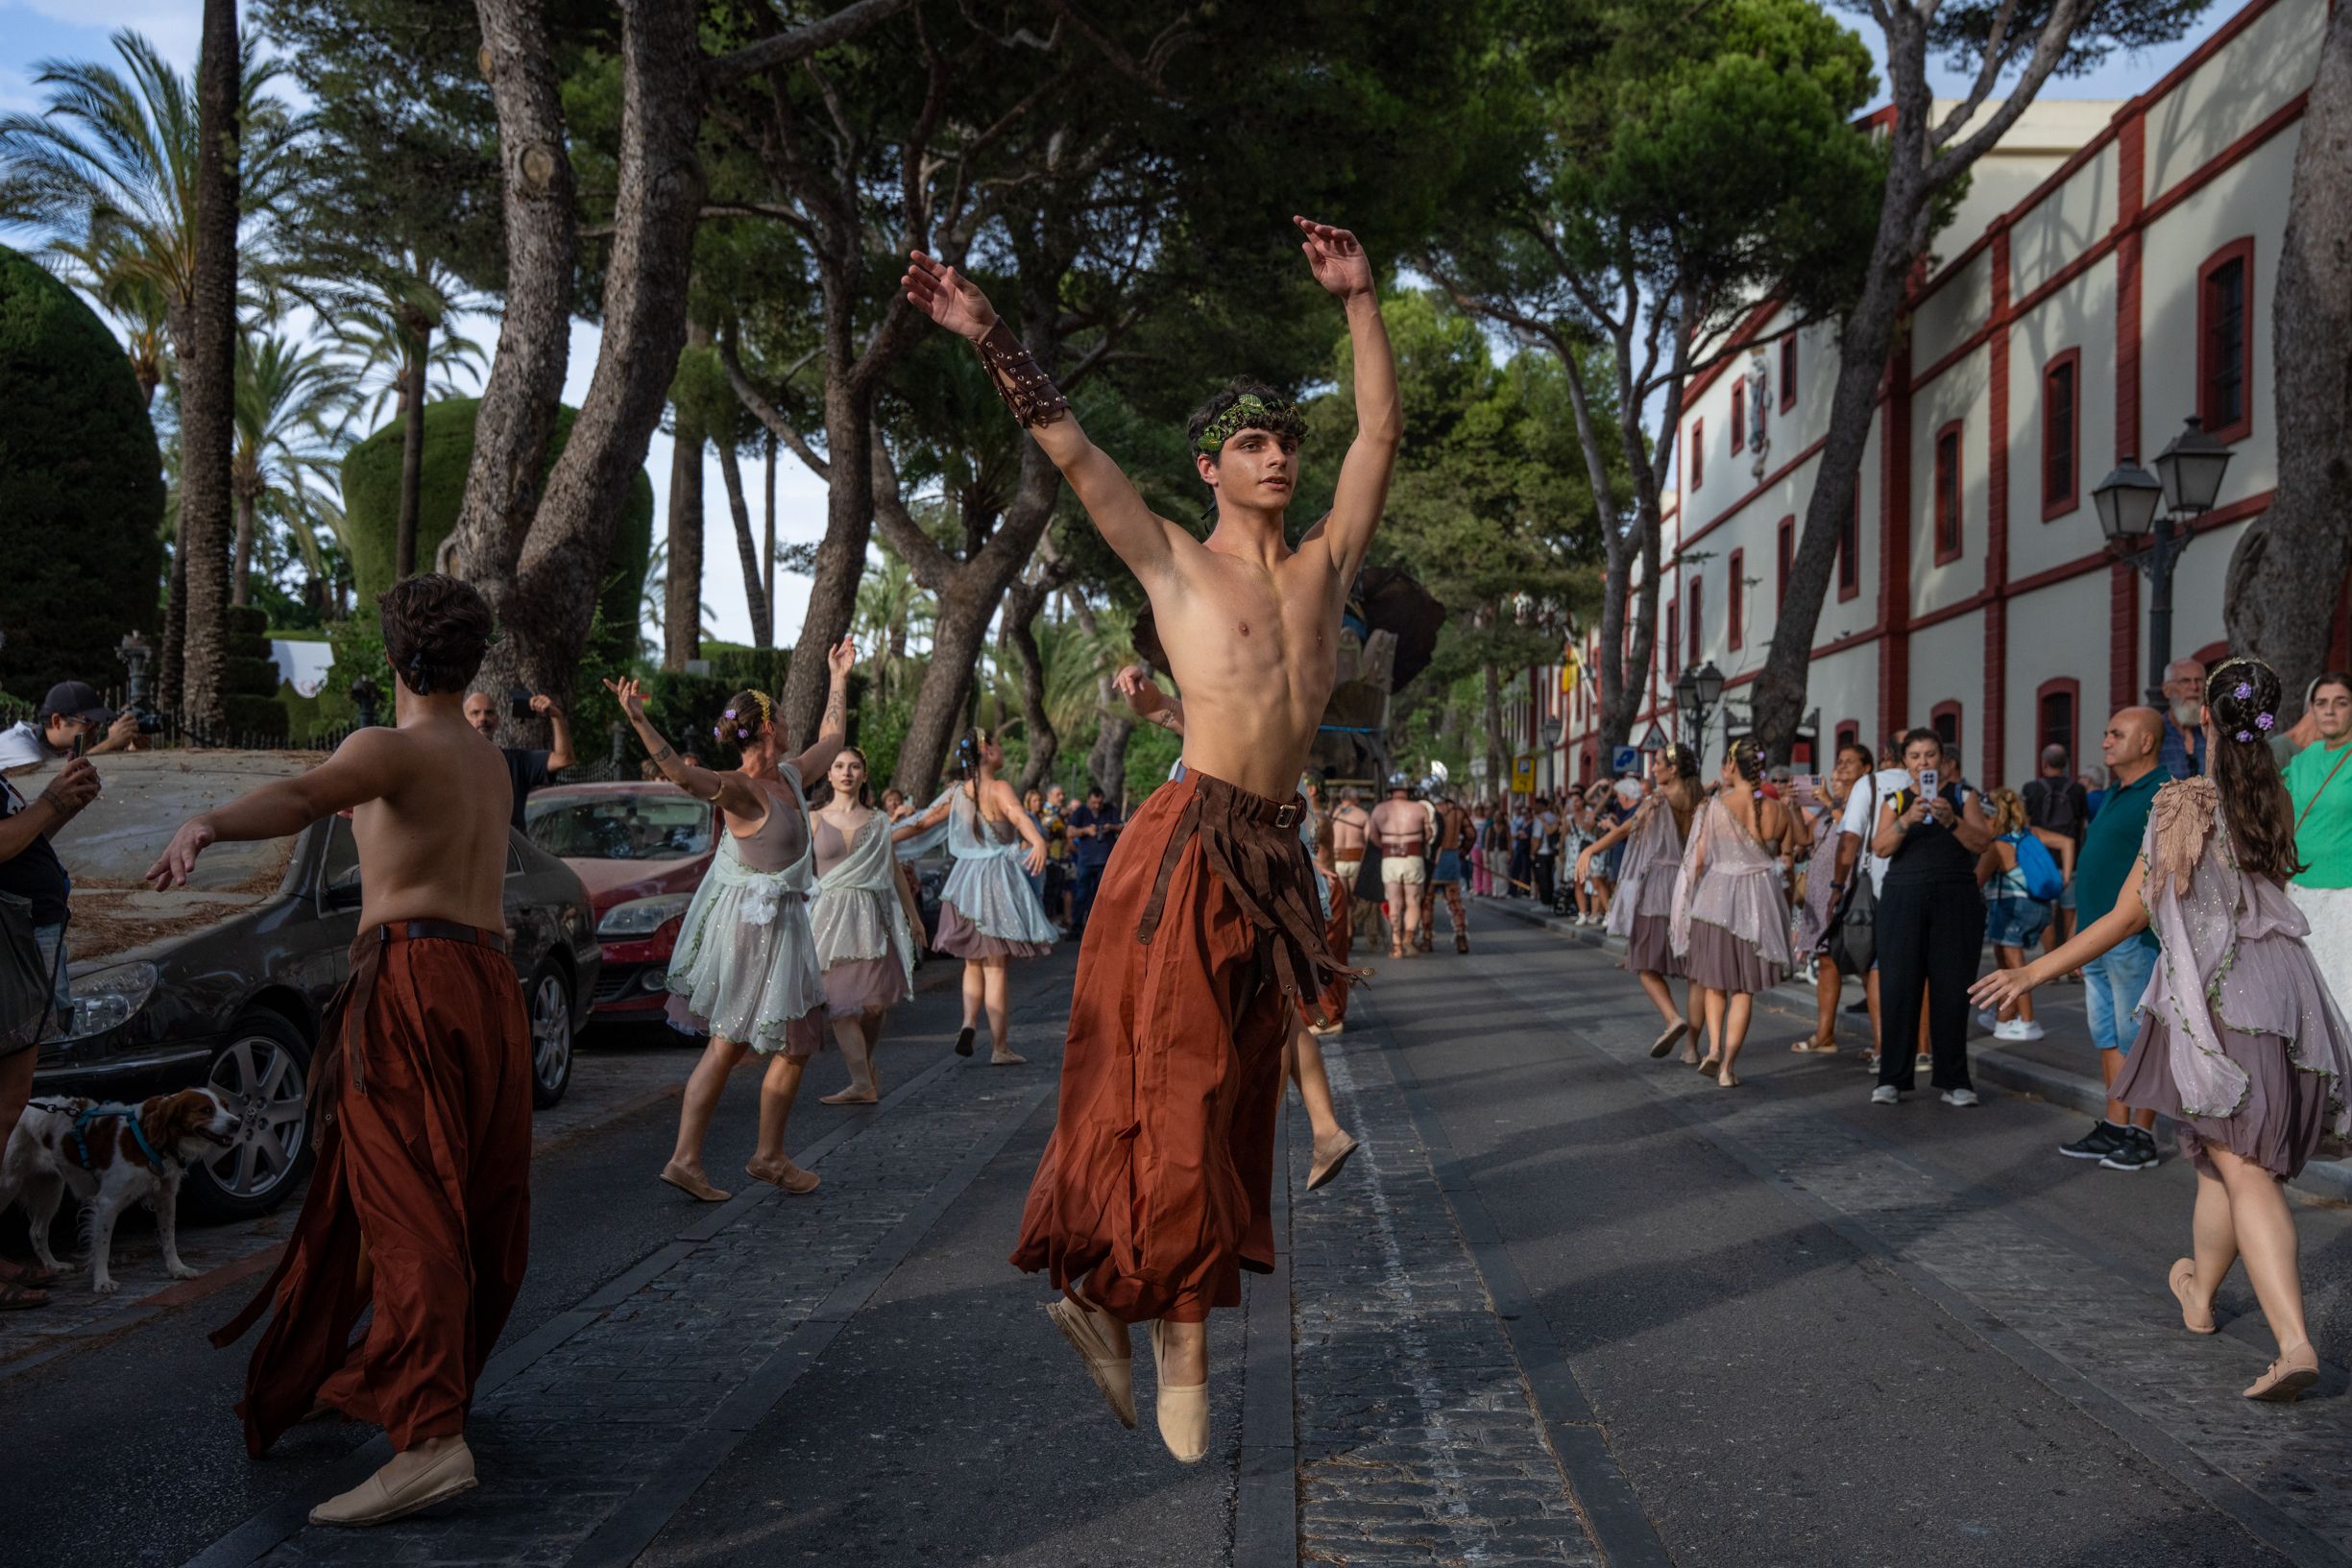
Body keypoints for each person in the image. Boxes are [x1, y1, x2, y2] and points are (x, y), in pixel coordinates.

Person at [905, 214, 1394, 1461]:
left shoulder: (1327, 570)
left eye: (1287, 439)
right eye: (1252, 441)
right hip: (1182, 846)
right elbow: (1069, 450)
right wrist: (985, 333)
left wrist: (1360, 302)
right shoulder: (1174, 564)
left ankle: (1102, 1296)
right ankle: (1178, 1344)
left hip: (1272, 857)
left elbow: (1381, 437)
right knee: (1166, 1096)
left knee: (1229, 1109)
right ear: (1207, 469)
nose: (1278, 455)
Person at [167, 574, 530, 1524]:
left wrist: (207, 820)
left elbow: (300, 793)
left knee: (408, 1211)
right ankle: (424, 1394)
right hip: (491, 987)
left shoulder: (387, 747)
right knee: (475, 1206)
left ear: (393, 658)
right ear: (469, 660)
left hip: (412, 980)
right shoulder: (486, 759)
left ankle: (429, 1440)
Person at [1974, 658, 2352, 1402]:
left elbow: (2124, 914)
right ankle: (2199, 1294)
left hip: (2217, 995)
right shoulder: (2271, 795)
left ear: (2201, 721)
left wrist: (2030, 972)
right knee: (2220, 1156)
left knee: (2244, 1169)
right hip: (2287, 991)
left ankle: (2293, 1342)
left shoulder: (2184, 801)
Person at [614, 642, 858, 1203]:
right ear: (768, 728)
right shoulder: (741, 790)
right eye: (785, 717)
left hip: (784, 926)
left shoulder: (792, 778)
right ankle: (700, 1158)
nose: (795, 724)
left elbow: (835, 740)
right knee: (735, 1045)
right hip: (754, 933)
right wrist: (639, 720)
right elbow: (677, 774)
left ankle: (758, 1155)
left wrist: (838, 676)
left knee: (792, 1041)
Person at [0, 751, 100, 1311]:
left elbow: (20, 841)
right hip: (10, 942)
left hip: (23, 935)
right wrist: (50, 802)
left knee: (9, 1103)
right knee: (5, 1103)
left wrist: (59, 806)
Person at [893, 728, 1055, 1064]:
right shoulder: (999, 787)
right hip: (996, 881)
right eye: (997, 745)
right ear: (985, 749)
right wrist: (1037, 840)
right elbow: (1017, 814)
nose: (1002, 750)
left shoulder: (958, 793)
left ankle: (968, 1022)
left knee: (972, 962)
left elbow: (922, 823)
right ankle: (1000, 1047)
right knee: (995, 967)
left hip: (964, 881)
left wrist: (885, 837)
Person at [2053, 708, 2169, 1170]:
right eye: (2105, 734)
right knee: (2107, 1036)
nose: (2104, 742)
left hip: (2132, 938)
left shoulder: (2161, 794)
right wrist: (2080, 931)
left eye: (2116, 734)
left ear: (2146, 742)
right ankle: (2115, 1126)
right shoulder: (2114, 794)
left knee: (2138, 1038)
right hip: (2097, 938)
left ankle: (2142, 1133)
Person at [1868, 728, 1993, 1107]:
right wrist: (1907, 820)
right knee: (1898, 988)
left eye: (1930, 755)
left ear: (1944, 761)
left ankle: (1955, 1081)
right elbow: (1880, 847)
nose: (1923, 762)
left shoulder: (1963, 795)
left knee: (1952, 990)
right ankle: (1892, 1078)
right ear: (1905, 764)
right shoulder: (1896, 799)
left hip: (1955, 898)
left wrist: (1951, 821)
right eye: (1915, 756)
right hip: (1903, 897)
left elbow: (1983, 842)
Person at [1670, 740, 1793, 1089]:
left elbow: (1698, 859)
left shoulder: (1714, 806)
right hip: (1757, 901)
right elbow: (1789, 850)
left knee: (1714, 984)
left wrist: (1683, 899)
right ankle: (1727, 1066)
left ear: (1730, 766)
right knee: (1743, 989)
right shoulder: (1776, 809)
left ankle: (1712, 1048)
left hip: (1717, 901)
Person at [808, 746, 923, 1105]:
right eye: (839, 766)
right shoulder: (812, 818)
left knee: (873, 1007)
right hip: (826, 919)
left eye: (854, 766)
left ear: (864, 774)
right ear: (828, 775)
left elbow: (892, 872)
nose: (846, 772)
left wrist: (913, 917)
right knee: (840, 1004)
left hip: (870, 918)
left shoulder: (878, 822)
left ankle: (865, 1068)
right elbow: (797, 871)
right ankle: (861, 1083)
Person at [1579, 745, 1705, 1063]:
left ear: (1673, 769)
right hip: (1696, 888)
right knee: (1696, 975)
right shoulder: (1701, 799)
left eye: (1658, 764)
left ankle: (1672, 1018)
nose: (1653, 769)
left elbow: (1624, 830)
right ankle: (1692, 1049)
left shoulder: (1658, 801)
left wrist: (1589, 850)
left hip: (1659, 890)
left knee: (1643, 962)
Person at [1833, 738, 1911, 1072]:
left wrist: (1837, 887)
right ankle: (1920, 1049)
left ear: (1883, 756)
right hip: (1919, 886)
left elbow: (1850, 839)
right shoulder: (1923, 784)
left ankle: (1884, 1049)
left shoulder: (1871, 784)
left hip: (1878, 887)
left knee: (1875, 966)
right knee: (1915, 970)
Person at [1975, 786, 2074, 1042]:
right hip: (2038, 905)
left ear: (1993, 818)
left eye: (1983, 818)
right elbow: (2067, 842)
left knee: (2015, 965)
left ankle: (2028, 1021)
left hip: (2012, 909)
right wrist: (2064, 878)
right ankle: (2004, 1015)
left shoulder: (1996, 847)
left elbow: (1975, 881)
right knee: (2004, 960)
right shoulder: (2030, 834)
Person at [1790, 741, 1870, 1053]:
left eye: (1850, 762)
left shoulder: (1865, 802)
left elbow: (1854, 833)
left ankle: (1882, 1044)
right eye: (1840, 761)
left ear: (1866, 769)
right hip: (1822, 893)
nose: (1841, 767)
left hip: (1850, 891)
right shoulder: (1828, 806)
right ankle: (1824, 1034)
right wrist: (1793, 808)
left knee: (1865, 963)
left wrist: (1829, 803)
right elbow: (1803, 838)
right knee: (1826, 962)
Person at [2283, 670, 2351, 1001]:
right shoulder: (2304, 758)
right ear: (2311, 709)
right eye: (2321, 703)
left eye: (2341, 703)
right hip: (2300, 893)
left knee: (2344, 993)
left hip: (2346, 896)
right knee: (2310, 999)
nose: (2330, 711)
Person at [461, 688, 575, 833]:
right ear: (463, 720)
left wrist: (556, 716)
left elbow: (564, 759)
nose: (483, 718)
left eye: (489, 712)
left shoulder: (516, 761)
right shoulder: (451, 762)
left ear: (497, 721)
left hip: (510, 851)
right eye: (475, 713)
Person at [2022, 743, 2090, 970]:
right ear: (2066, 764)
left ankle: (2051, 962)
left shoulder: (2032, 788)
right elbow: (2082, 823)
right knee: (2070, 911)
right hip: (2071, 858)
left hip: (2042, 862)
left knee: (2046, 914)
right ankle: (2070, 964)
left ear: (2044, 763)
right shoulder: (2077, 790)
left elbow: (2026, 825)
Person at [0, 680, 140, 773]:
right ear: (57, 721)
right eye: (88, 722)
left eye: (98, 723)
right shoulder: (18, 745)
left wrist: (130, 751)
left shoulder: (58, 748)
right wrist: (110, 743)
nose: (95, 729)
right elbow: (52, 781)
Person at [1370, 773, 1430, 958]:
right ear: (1408, 790)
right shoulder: (1419, 808)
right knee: (1413, 900)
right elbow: (1428, 835)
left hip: (1390, 858)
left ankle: (1396, 946)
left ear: (1391, 790)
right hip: (1413, 857)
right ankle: (1408, 939)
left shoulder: (1380, 809)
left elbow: (1372, 836)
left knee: (1394, 902)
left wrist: (1388, 846)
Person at [1065, 785, 1122, 936]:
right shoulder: (1081, 811)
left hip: (1106, 861)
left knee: (1102, 896)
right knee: (1081, 894)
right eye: (1093, 803)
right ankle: (1076, 926)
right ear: (1088, 800)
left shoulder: (1110, 810)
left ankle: (1098, 928)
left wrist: (1111, 827)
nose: (1096, 806)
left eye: (1099, 803)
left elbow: (1124, 827)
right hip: (1086, 861)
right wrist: (1085, 831)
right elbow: (1070, 832)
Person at [1426, 791, 1471, 953]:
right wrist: (1462, 852)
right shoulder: (1458, 812)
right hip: (1451, 856)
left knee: (1427, 901)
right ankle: (1461, 936)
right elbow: (1471, 834)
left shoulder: (1427, 810)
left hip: (1431, 859)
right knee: (1455, 901)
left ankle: (1426, 939)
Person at [2159, 656, 2209, 780]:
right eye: (2185, 681)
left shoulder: (2214, 733)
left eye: (2199, 681)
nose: (2194, 687)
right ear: (2166, 690)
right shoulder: (2156, 733)